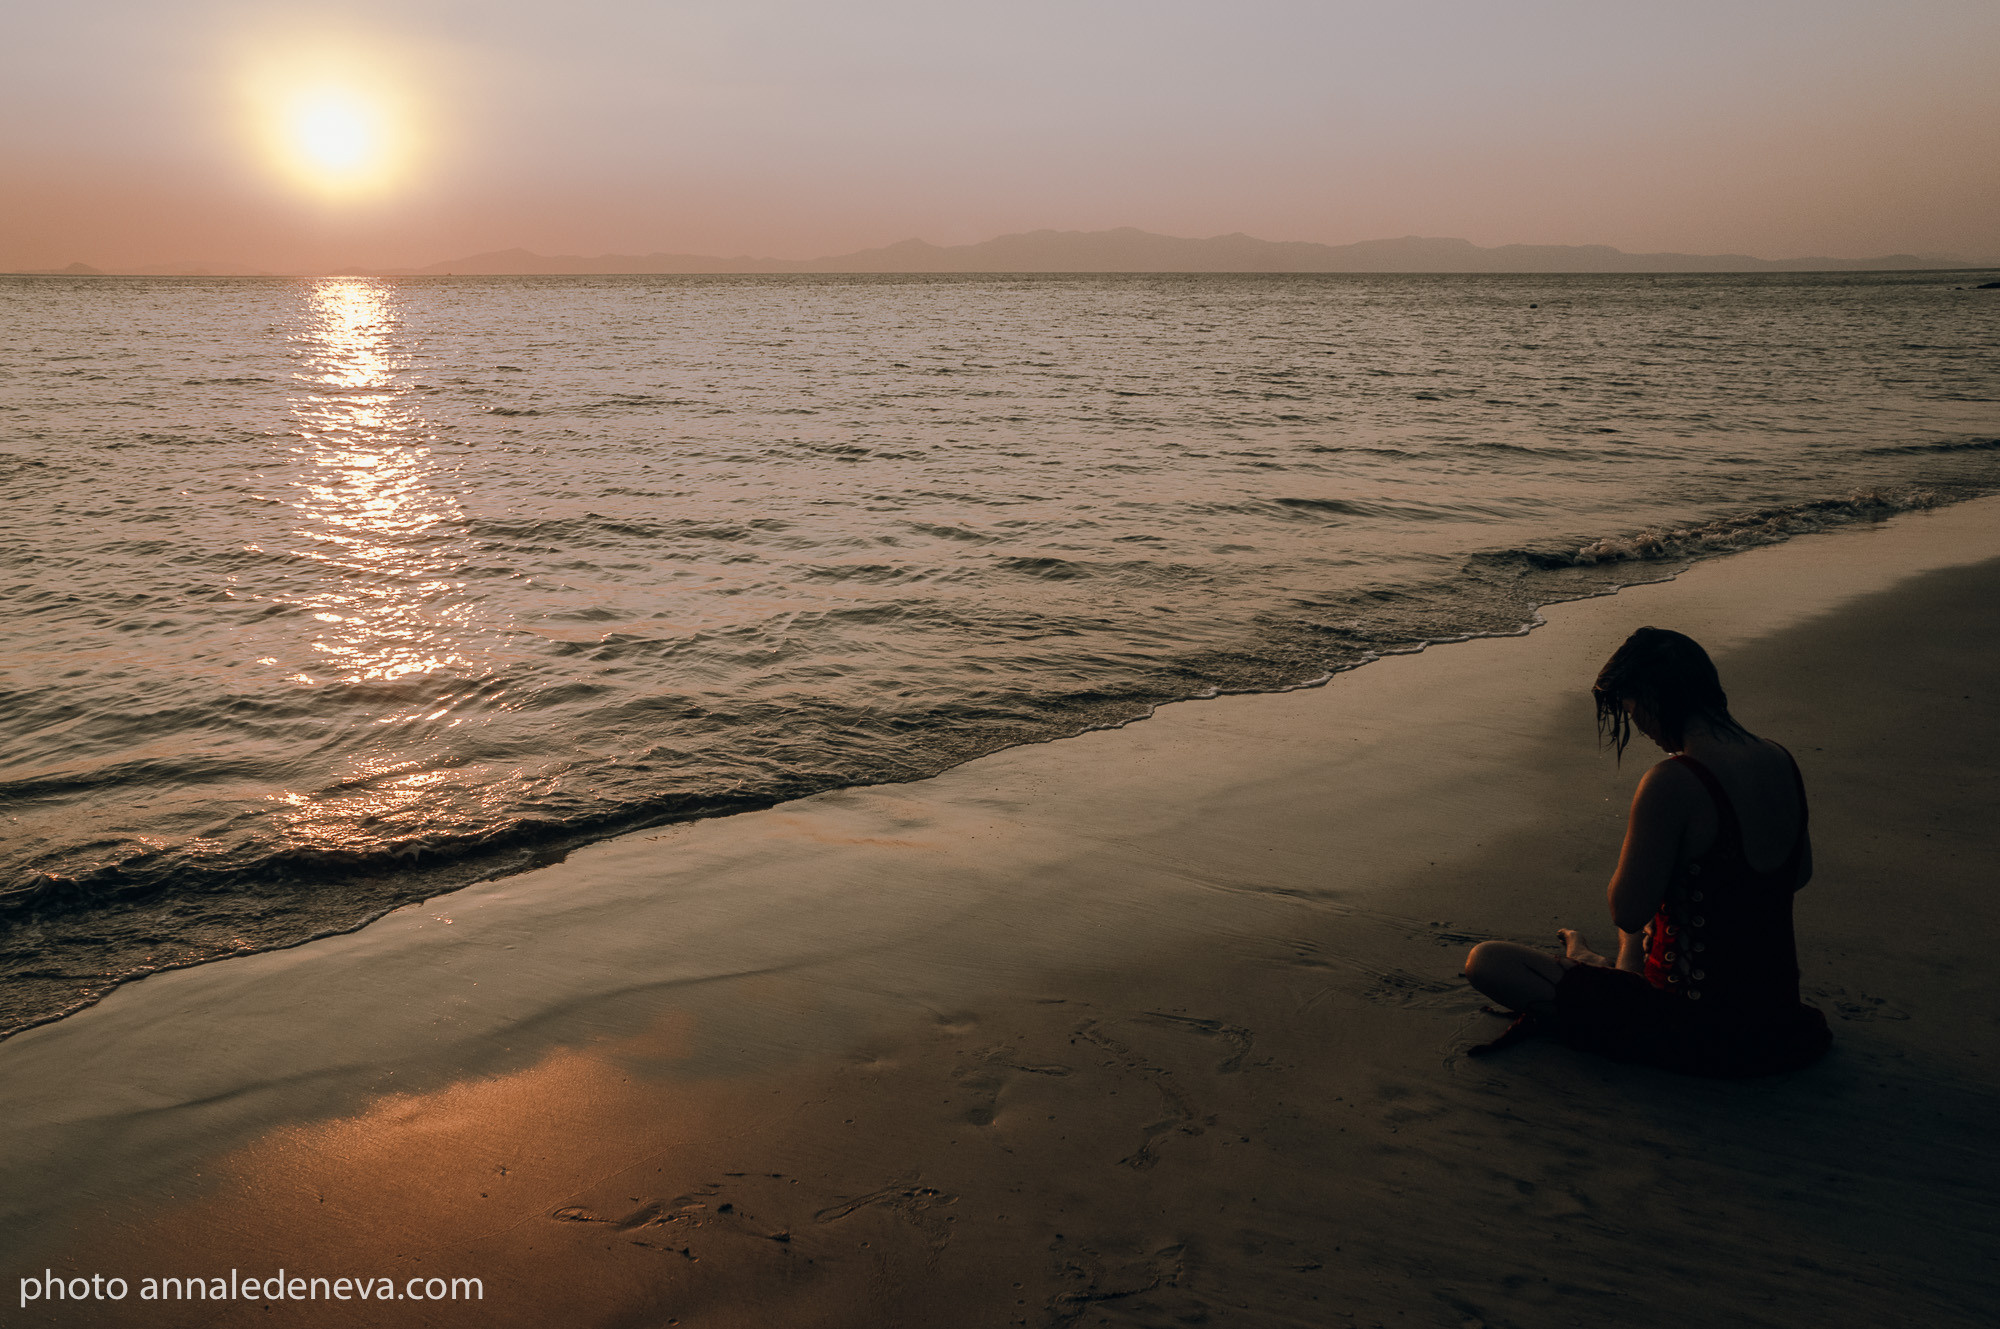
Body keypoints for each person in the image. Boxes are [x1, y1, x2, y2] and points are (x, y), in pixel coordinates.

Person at [1462, 626, 1832, 1076]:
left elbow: (1626, 909)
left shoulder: (1673, 781)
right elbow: (1799, 875)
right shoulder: (1779, 758)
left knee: (1486, 961)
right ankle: (1622, 966)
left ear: (1655, 697)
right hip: (1779, 1020)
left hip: (1697, 1029)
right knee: (1638, 937)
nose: (1637, 726)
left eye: (1632, 709)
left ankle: (1615, 971)